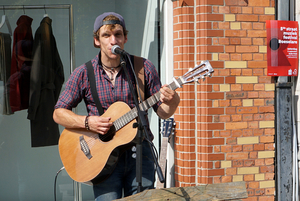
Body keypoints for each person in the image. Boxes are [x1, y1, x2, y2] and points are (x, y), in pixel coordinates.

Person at [53, 12, 180, 201]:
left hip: (140, 153)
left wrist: (172, 102)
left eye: (118, 35)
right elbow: (58, 113)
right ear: (97, 41)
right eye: (106, 35)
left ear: (125, 38)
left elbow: (162, 112)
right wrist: (88, 122)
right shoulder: (84, 73)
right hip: (101, 158)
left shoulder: (143, 68)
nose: (114, 40)